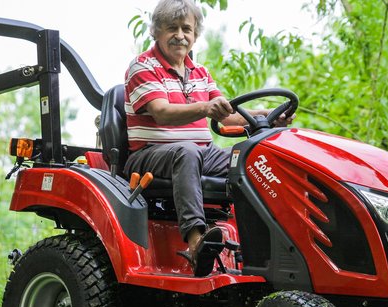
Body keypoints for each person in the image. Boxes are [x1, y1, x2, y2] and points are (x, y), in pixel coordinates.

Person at [123, 0, 291, 276]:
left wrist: (269, 115)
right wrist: (204, 108)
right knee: (186, 152)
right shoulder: (143, 67)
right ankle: (195, 243)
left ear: (195, 34)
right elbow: (162, 113)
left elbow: (227, 115)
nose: (180, 35)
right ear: (156, 32)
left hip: (202, 153)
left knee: (253, 160)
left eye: (186, 29)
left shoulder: (199, 72)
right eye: (172, 28)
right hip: (149, 155)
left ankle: (271, 245)